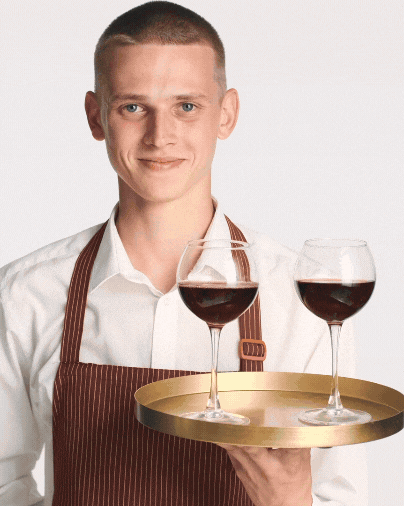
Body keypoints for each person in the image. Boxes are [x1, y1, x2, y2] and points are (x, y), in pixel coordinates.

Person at [0, 2, 368, 505]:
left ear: (227, 114)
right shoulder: (25, 294)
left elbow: (342, 495)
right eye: (133, 107)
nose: (160, 136)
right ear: (95, 116)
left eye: (187, 106)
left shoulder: (300, 298)